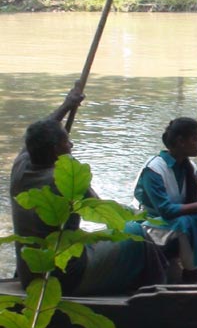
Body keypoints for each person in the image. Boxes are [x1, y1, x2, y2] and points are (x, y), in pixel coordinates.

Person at [12, 86, 165, 295]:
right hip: (66, 274)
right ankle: (158, 292)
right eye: (67, 142)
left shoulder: (20, 166)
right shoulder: (66, 180)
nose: (72, 145)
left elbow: (42, 130)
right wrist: (141, 216)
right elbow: (108, 215)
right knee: (137, 233)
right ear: (56, 149)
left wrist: (67, 105)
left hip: (30, 271)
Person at [133, 117, 197, 282]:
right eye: (196, 139)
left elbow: (192, 203)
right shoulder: (154, 169)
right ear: (181, 141)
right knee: (185, 224)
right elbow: (166, 211)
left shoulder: (191, 168)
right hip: (151, 223)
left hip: (178, 219)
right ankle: (191, 272)